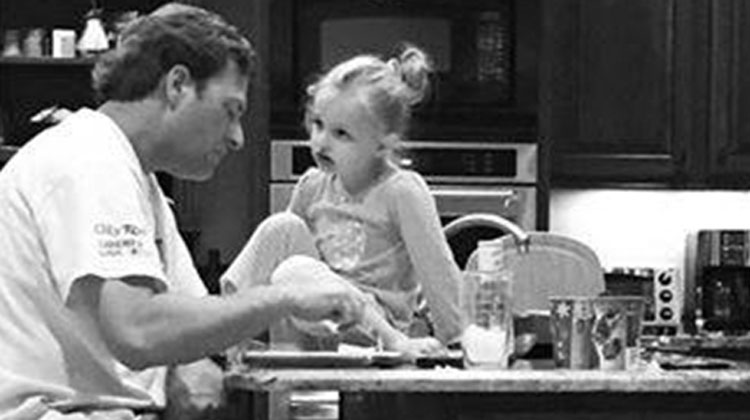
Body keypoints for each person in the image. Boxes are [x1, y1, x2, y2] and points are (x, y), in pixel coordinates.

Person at [0, 3, 368, 419]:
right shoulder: (89, 158)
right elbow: (139, 331)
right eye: (231, 111)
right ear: (177, 85)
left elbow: (185, 326)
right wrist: (285, 297)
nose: (237, 138)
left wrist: (187, 360)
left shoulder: (136, 177)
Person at [222, 45, 464, 358]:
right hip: (318, 320)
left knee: (293, 270)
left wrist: (459, 341)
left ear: (383, 143)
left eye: (341, 134)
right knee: (281, 228)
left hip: (378, 332)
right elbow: (280, 264)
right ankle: (221, 331)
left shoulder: (401, 191)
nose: (322, 141)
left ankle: (394, 341)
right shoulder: (312, 186)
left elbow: (438, 272)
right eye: (319, 124)